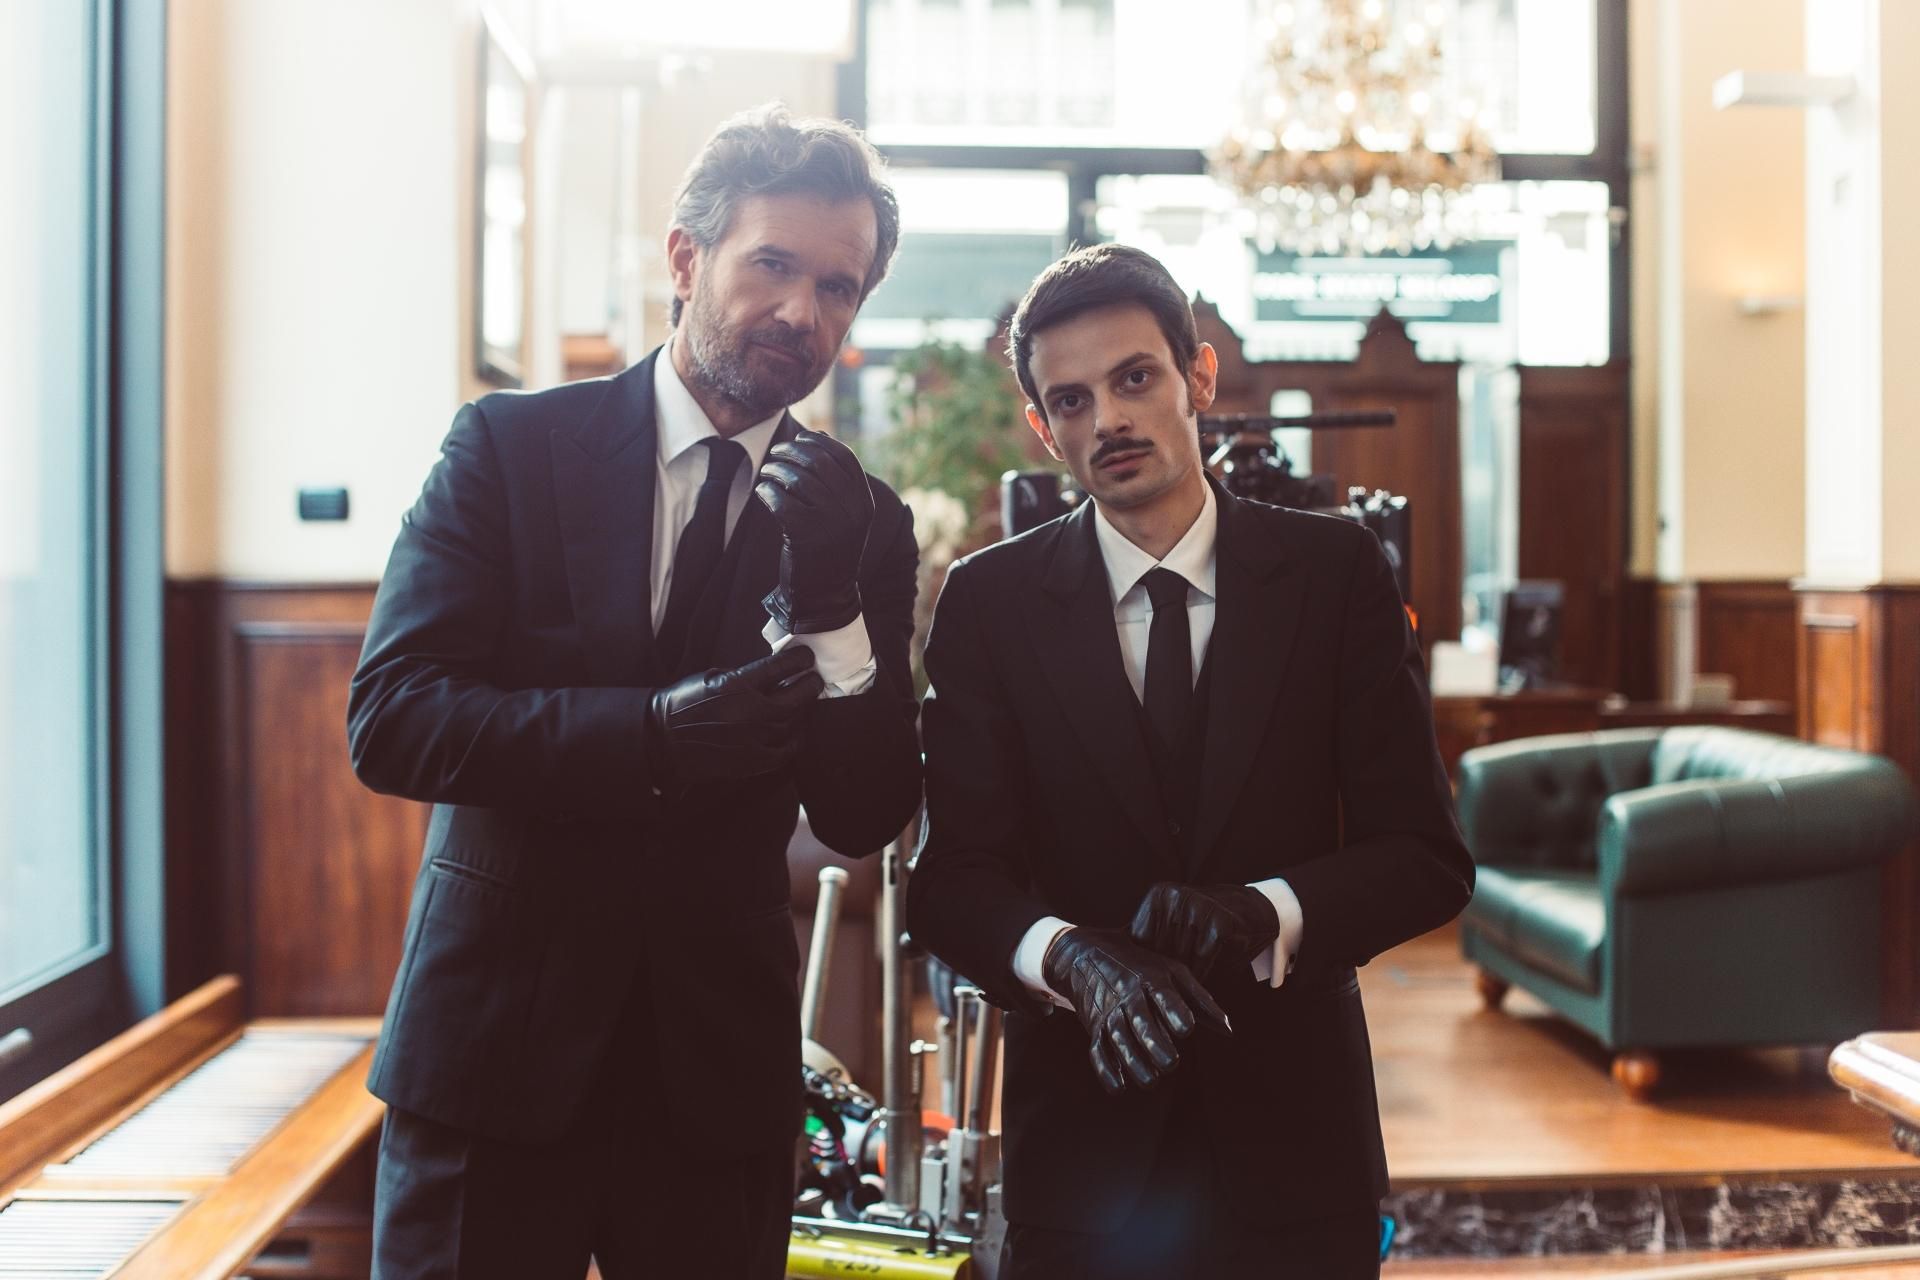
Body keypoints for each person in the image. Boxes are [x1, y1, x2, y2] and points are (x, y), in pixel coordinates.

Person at [348, 104, 922, 1279]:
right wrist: (648, 735)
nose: (803, 312)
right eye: (773, 265)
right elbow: (393, 717)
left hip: (713, 1078)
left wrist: (831, 605)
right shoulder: (508, 450)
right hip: (493, 1047)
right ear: (685, 258)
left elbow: (865, 811)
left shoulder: (863, 520)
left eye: (839, 286)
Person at [905, 243, 1473, 1278]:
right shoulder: (988, 602)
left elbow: (1425, 856)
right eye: (1071, 400)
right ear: (1042, 425)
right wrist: (1070, 956)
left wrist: (1267, 911)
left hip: (1298, 1148)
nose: (1107, 421)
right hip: (1082, 1161)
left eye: (1135, 378)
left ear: (1198, 376)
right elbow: (949, 884)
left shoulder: (1336, 573)